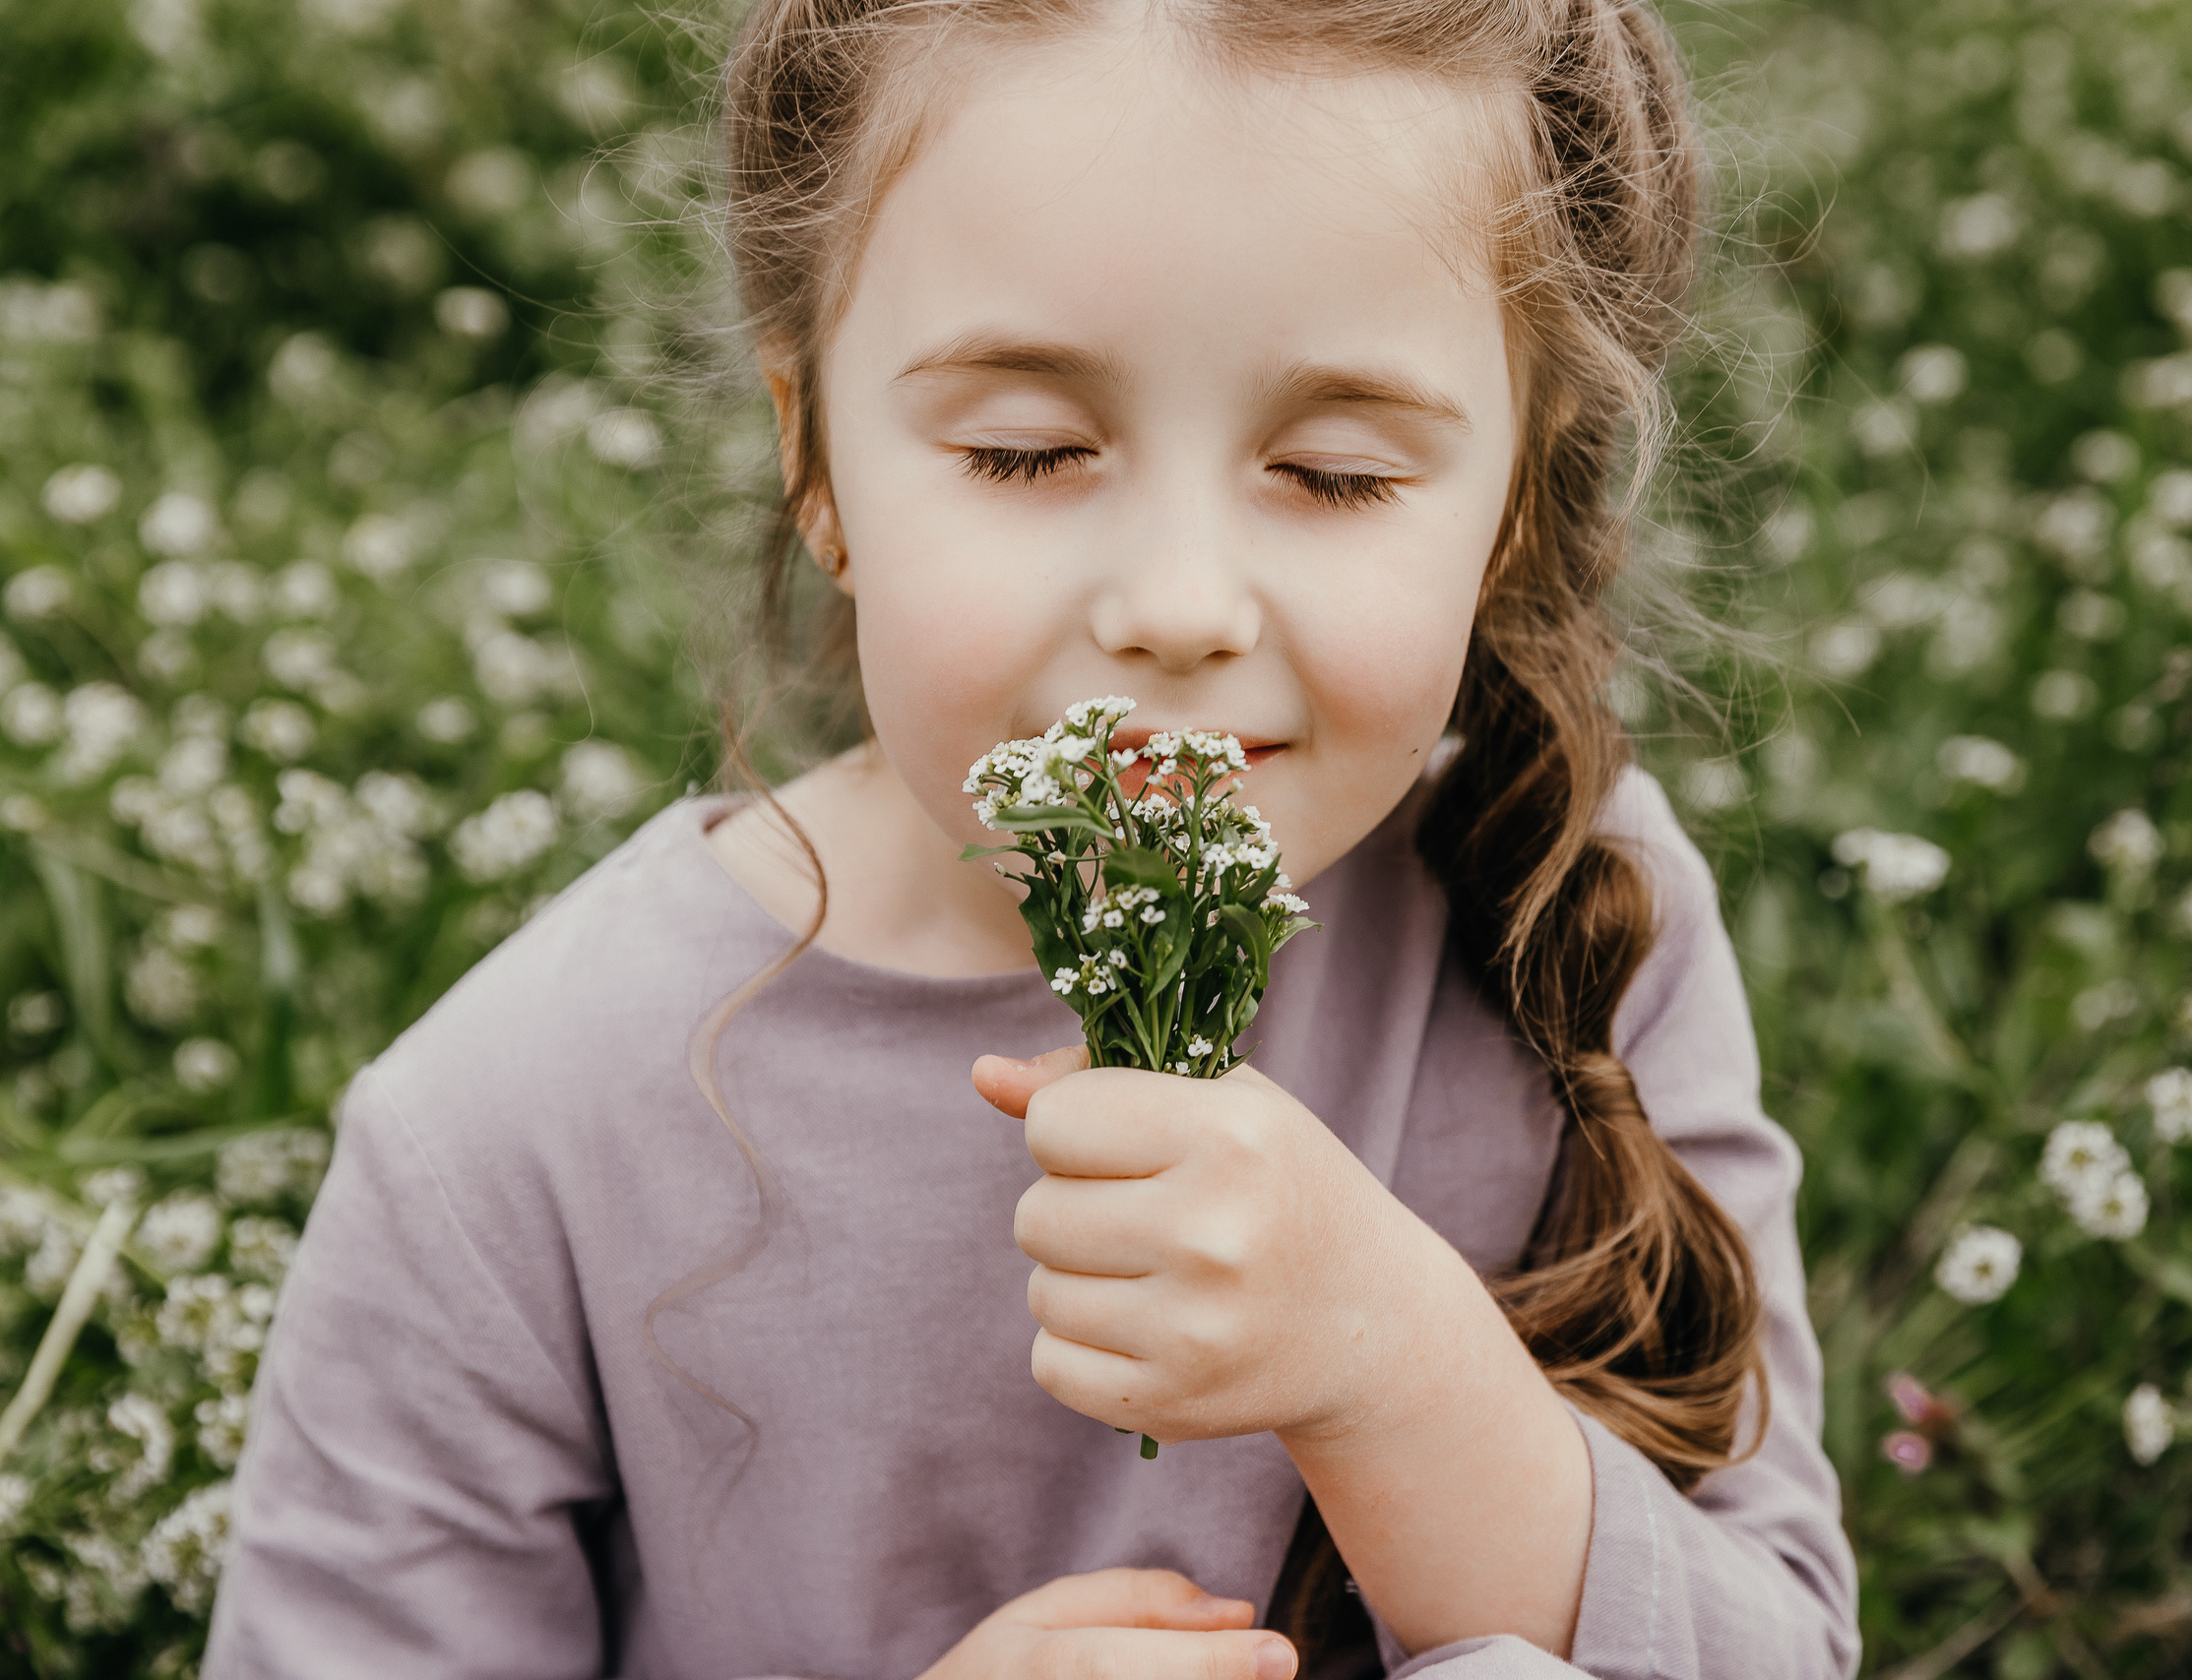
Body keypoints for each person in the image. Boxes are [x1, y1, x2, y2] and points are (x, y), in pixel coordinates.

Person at [203, 1, 1858, 1675]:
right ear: (815, 461)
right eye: (1026, 452)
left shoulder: (1573, 913)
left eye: (1338, 473)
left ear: (1513, 506)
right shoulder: (514, 1129)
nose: (1176, 608)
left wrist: (1398, 1365)